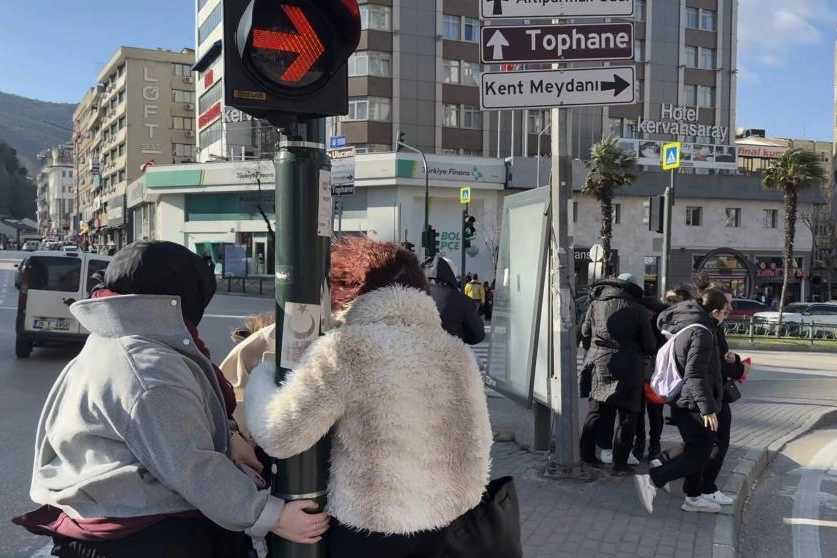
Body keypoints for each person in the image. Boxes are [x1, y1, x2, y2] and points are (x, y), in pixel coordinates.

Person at [13, 241, 327, 557]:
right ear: (179, 298)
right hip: (140, 534)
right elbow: (191, 465)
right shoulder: (150, 368)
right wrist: (272, 516)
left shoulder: (113, 341)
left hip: (104, 514)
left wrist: (229, 437)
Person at [244, 236, 493, 558]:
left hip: (369, 528)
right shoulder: (456, 353)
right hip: (444, 525)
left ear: (347, 292)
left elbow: (279, 434)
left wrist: (263, 375)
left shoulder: (346, 349)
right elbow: (478, 442)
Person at [634, 288, 728, 514]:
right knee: (699, 454)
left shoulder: (689, 324)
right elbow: (695, 374)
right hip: (693, 403)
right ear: (714, 312)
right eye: (725, 311)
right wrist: (707, 409)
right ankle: (653, 479)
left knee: (696, 449)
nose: (727, 315)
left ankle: (693, 497)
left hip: (684, 399)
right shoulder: (702, 332)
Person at [579, 273, 657, 473]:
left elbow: (585, 333)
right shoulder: (638, 310)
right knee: (627, 415)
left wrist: (596, 348)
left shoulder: (595, 305)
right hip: (629, 367)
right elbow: (649, 345)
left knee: (596, 411)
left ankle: (586, 455)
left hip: (599, 363)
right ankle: (620, 463)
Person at [422, 255, 485, 344]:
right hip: (448, 351)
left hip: (415, 351)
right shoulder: (461, 300)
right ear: (451, 275)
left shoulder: (411, 295)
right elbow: (477, 335)